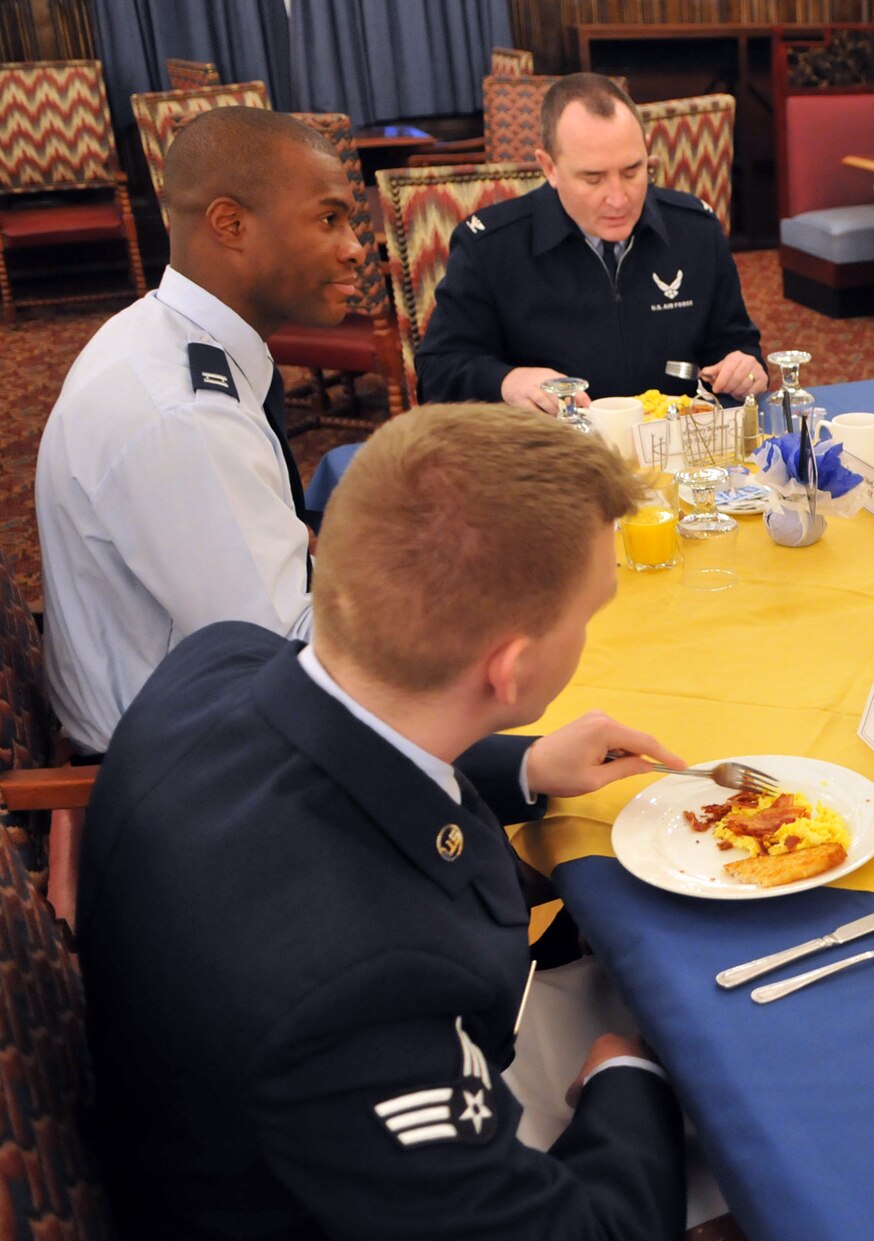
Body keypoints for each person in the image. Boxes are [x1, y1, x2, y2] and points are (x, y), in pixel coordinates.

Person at [79, 404, 692, 1238]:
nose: (588, 633)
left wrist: (524, 764)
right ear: (509, 669)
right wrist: (631, 1083)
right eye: (588, 616)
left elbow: (321, 728)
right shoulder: (360, 1001)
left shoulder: (211, 663)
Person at [35, 107, 362, 755]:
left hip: (194, 703)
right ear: (231, 224)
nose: (355, 244)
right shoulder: (181, 413)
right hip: (182, 762)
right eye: (329, 218)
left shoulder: (168, 335)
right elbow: (288, 661)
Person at [417, 72, 765, 413]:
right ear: (549, 167)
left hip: (677, 448)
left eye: (632, 171)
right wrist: (507, 381)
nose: (618, 198)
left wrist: (744, 367)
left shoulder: (696, 230)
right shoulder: (491, 248)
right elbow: (436, 373)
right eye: (593, 178)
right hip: (554, 453)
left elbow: (736, 344)